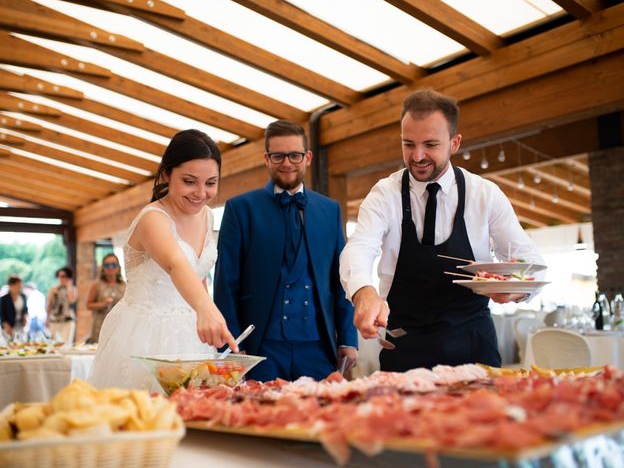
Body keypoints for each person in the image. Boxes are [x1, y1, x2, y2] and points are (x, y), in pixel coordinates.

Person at [339, 89, 545, 372]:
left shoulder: (484, 194)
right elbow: (359, 247)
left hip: (473, 348)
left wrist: (514, 290)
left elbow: (530, 262)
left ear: (454, 143)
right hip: (404, 350)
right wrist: (364, 292)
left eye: (430, 144)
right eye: (408, 144)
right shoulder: (384, 194)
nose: (418, 156)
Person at [88, 129, 237, 391]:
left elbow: (197, 273)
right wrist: (206, 308)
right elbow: (175, 263)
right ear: (167, 174)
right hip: (144, 334)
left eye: (211, 182)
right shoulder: (153, 218)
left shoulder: (207, 216)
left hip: (192, 335)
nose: (201, 193)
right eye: (189, 181)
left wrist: (207, 317)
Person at [214, 120, 358, 382]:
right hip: (261, 348)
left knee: (320, 417)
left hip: (318, 346)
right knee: (261, 417)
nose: (287, 163)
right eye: (278, 155)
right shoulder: (240, 208)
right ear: (266, 159)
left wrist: (348, 338)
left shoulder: (330, 210)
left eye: (294, 155)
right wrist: (232, 346)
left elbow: (342, 279)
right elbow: (226, 283)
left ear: (308, 158)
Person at [85, 253, 126, 344]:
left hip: (119, 323)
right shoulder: (97, 285)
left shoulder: (124, 285)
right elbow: (88, 305)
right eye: (107, 265)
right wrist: (102, 304)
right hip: (101, 324)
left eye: (113, 265)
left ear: (118, 267)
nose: (110, 268)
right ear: (103, 267)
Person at [46, 267, 79, 345]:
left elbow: (72, 301)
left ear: (68, 277)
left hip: (68, 320)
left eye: (63, 276)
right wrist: (47, 319)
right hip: (54, 319)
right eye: (59, 276)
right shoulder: (53, 289)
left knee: (66, 343)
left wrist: (68, 287)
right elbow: (49, 304)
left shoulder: (73, 289)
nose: (61, 278)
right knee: (54, 343)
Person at [0, 275, 28, 340]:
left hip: (20, 326)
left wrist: (25, 316)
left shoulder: (23, 297)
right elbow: (2, 315)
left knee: (21, 345)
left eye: (20, 286)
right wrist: (6, 325)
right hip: (9, 326)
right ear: (11, 285)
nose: (20, 288)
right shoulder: (4, 299)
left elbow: (25, 310)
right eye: (18, 285)